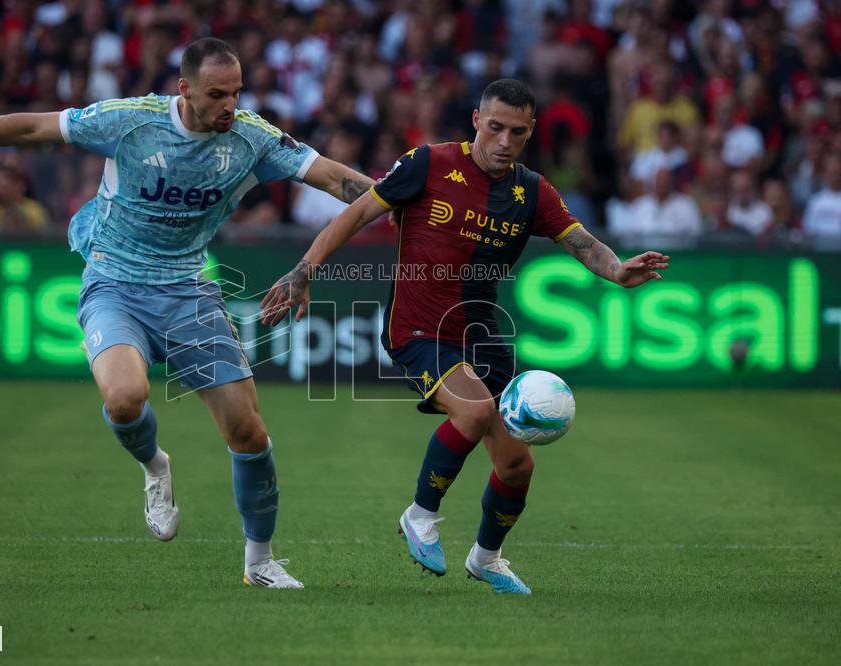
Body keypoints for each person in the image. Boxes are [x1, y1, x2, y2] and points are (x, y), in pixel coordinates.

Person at [0, 38, 375, 589]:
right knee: (123, 397)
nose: (229, 106)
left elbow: (337, 180)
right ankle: (155, 465)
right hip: (114, 282)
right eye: (217, 95)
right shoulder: (130, 121)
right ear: (184, 89)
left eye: (236, 93)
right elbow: (32, 128)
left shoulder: (251, 137)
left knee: (248, 432)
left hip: (188, 291)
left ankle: (259, 563)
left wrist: (402, 201)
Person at [261, 79, 669, 595]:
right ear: (477, 120)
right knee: (474, 412)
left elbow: (582, 242)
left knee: (516, 465)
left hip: (480, 336)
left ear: (530, 131)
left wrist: (615, 270)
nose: (504, 141)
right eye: (495, 127)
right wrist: (304, 270)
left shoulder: (532, 192)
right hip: (417, 329)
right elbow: (359, 212)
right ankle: (420, 515)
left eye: (517, 132)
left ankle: (486, 558)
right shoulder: (428, 164)